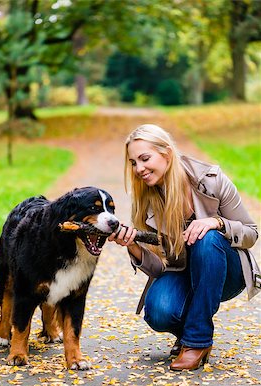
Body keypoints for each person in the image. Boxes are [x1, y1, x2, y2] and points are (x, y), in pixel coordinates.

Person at [108, 124, 260, 371]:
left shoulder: (211, 180)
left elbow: (251, 233)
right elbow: (160, 268)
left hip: (226, 272)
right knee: (157, 312)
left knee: (207, 237)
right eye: (133, 162)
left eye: (145, 159)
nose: (139, 169)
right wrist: (134, 247)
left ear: (166, 154)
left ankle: (197, 341)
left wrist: (216, 222)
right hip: (184, 273)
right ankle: (192, 329)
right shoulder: (146, 199)